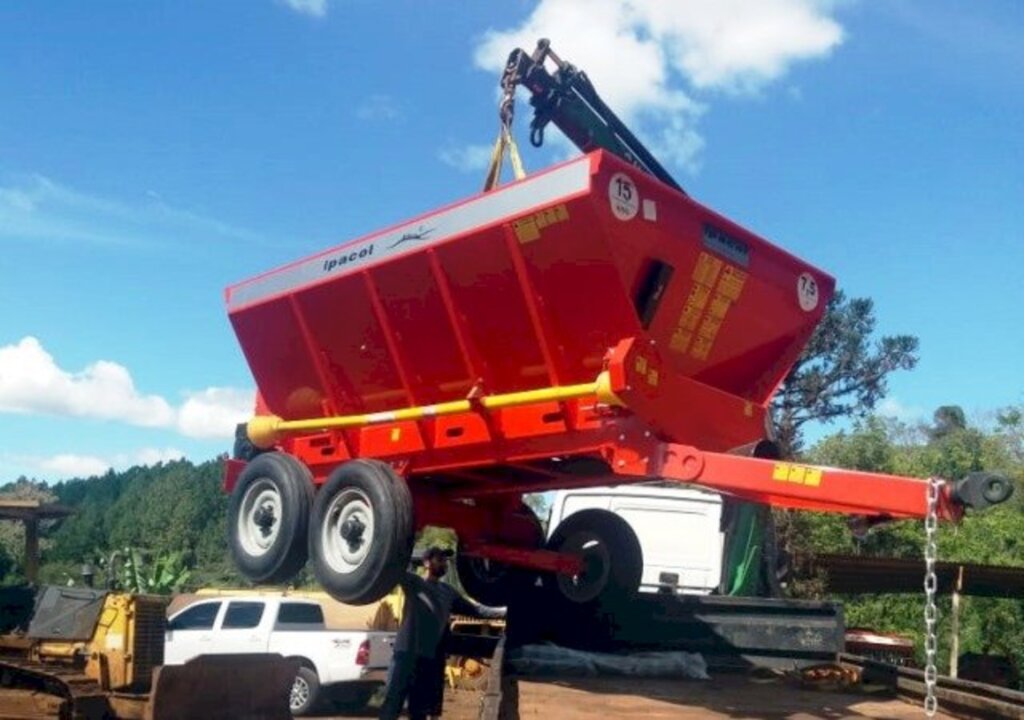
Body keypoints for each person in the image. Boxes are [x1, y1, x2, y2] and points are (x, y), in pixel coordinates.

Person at [379, 546, 504, 720]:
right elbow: (394, 569)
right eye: (440, 559)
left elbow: (478, 611)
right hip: (405, 656)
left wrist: (506, 611)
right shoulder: (414, 583)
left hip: (426, 659)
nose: (444, 563)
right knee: (391, 707)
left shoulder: (448, 592)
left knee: (419, 712)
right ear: (427, 563)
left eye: (445, 560)